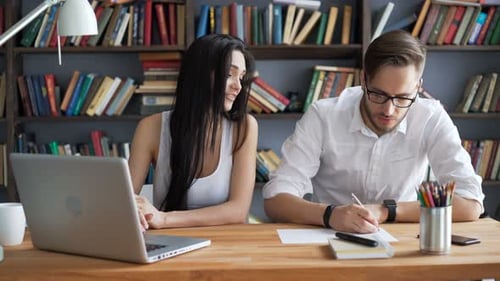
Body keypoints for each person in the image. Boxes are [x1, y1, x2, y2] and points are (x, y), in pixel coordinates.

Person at [262, 30, 484, 234]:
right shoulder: (323, 115)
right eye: (378, 94)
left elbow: (471, 203)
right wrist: (330, 214)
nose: (389, 110)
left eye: (403, 98)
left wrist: (387, 211)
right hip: (329, 235)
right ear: (363, 81)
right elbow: (275, 199)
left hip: (402, 239)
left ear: (418, 88)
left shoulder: (431, 116)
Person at [129, 34, 257, 229]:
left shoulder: (244, 127)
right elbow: (126, 198)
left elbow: (238, 211)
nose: (238, 86)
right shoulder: (151, 127)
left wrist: (163, 219)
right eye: (229, 74)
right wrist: (136, 208)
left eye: (241, 77)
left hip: (227, 245)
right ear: (200, 74)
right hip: (170, 243)